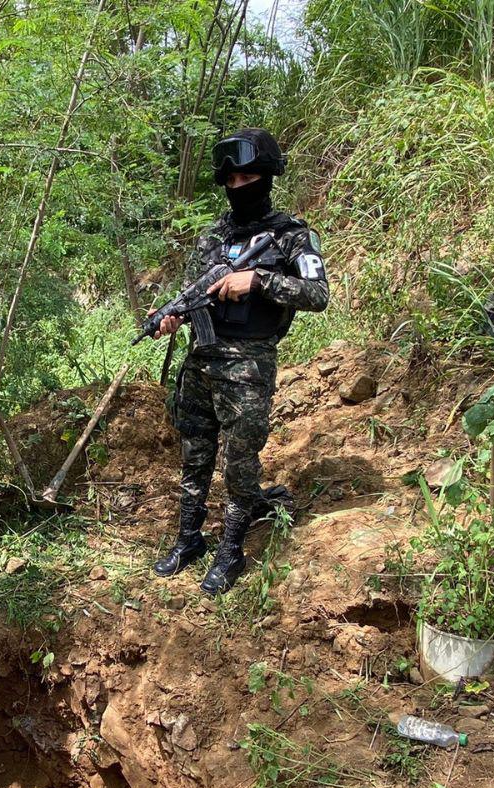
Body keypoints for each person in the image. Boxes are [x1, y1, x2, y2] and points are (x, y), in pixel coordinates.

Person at [151, 128, 329, 595]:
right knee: (195, 454)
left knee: (239, 463)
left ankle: (231, 550)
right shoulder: (213, 237)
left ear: (267, 177)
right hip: (200, 361)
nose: (238, 187)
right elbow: (194, 293)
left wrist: (259, 281)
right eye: (230, 180)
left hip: (248, 366)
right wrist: (172, 317)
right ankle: (188, 538)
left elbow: (317, 294)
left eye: (247, 178)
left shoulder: (291, 236)